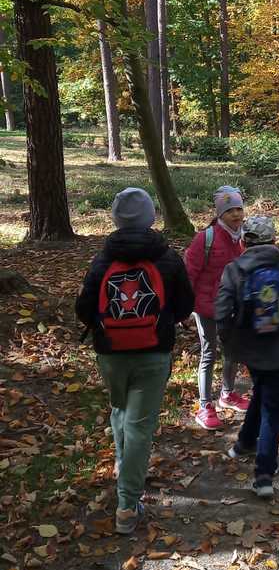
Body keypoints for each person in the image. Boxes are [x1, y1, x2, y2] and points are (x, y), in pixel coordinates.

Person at [75, 187, 194, 534]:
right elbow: (185, 305)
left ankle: (122, 463)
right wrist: (163, 319)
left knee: (120, 409)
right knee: (139, 425)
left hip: (111, 352)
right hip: (154, 351)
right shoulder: (167, 258)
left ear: (116, 219)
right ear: (150, 217)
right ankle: (127, 505)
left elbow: (83, 308)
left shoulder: (102, 259)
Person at [215, 215, 279, 497]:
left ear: (244, 241)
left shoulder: (233, 269)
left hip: (246, 346)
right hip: (275, 348)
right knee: (274, 409)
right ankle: (264, 473)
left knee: (262, 391)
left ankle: (245, 443)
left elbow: (221, 312)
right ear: (274, 241)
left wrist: (228, 342)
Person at [185, 186, 249, 430]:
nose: (236, 214)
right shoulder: (206, 238)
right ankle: (205, 406)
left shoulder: (243, 237)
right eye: (230, 210)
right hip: (207, 308)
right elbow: (190, 273)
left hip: (233, 308)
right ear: (220, 213)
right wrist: (185, 306)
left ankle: (227, 394)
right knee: (209, 353)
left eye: (239, 209)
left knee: (232, 351)